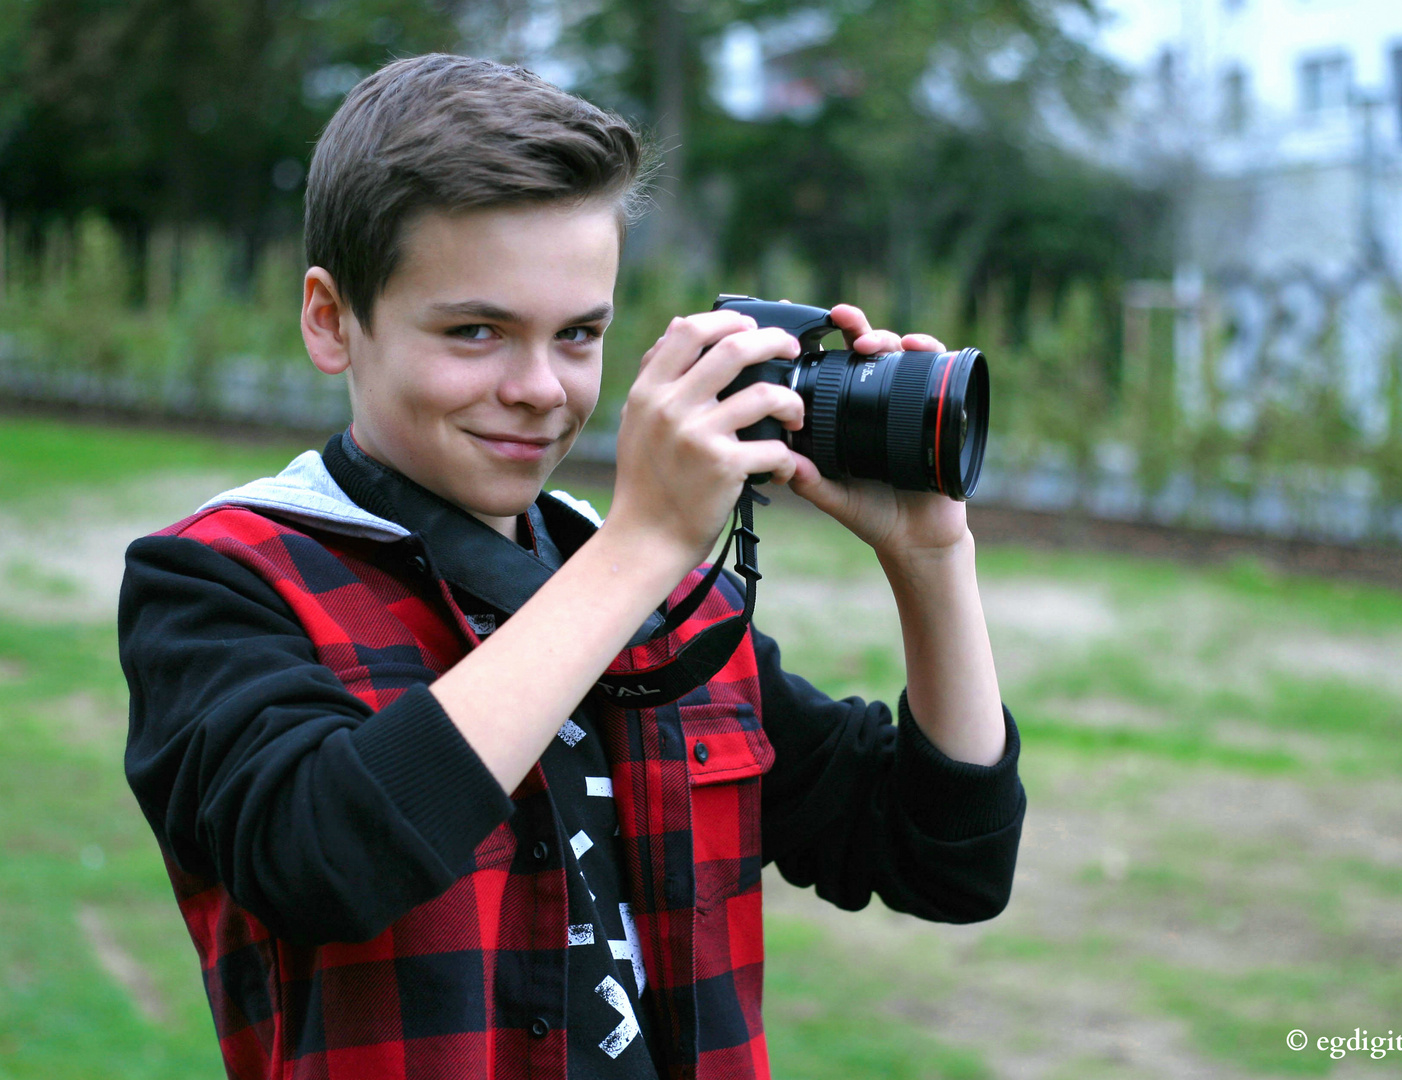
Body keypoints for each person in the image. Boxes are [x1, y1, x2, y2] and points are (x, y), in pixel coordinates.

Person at [118, 53, 1023, 1080]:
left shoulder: (657, 593)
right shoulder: (221, 581)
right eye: (476, 332)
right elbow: (324, 858)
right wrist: (639, 547)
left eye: (580, 333)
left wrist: (931, 556)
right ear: (332, 320)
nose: (540, 389)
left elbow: (949, 860)